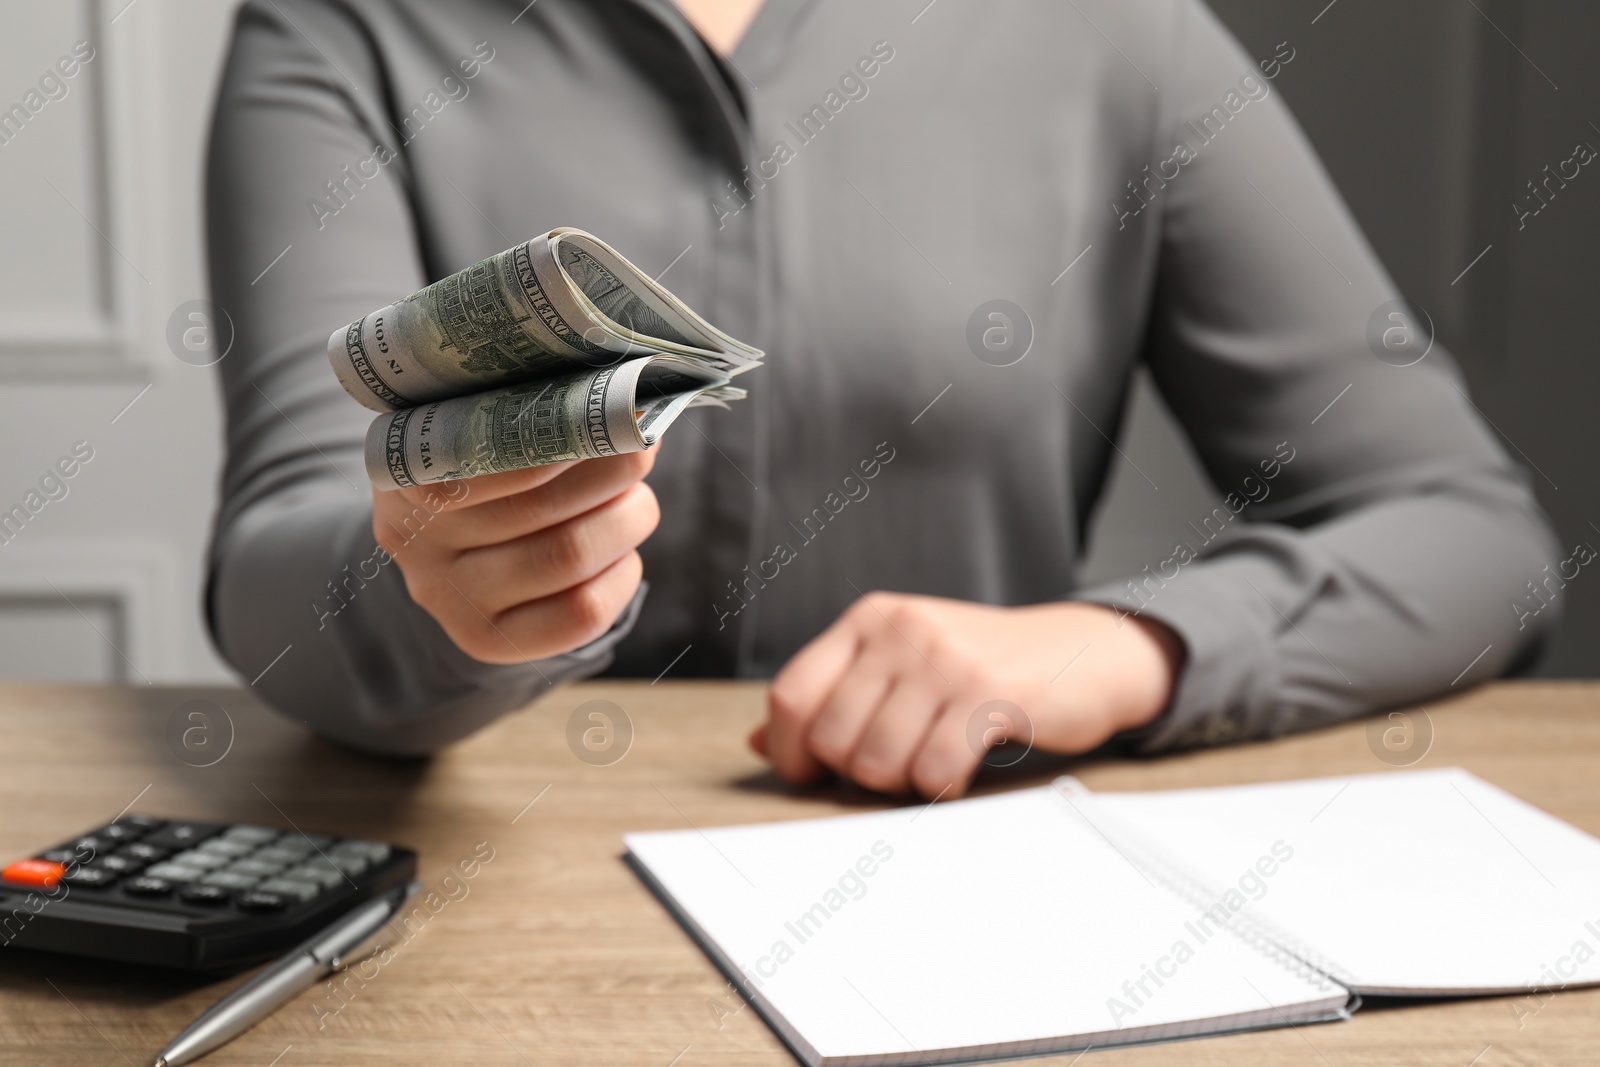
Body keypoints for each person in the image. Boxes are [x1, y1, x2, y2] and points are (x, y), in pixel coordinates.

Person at [205, 0, 1559, 798]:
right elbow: (281, 561)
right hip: (488, 926)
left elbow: (1466, 532)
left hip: (957, 904)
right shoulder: (340, 25)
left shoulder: (1113, 31)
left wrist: (1117, 650)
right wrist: (431, 592)